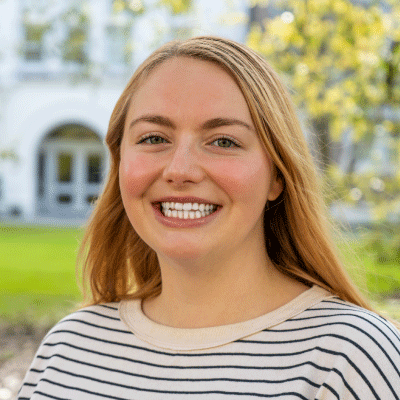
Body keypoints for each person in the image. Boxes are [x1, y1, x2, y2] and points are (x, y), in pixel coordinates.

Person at [19, 36, 400, 399]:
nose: (180, 169)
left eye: (223, 141)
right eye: (153, 138)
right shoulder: (68, 347)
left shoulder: (351, 357)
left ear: (277, 176)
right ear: (120, 164)